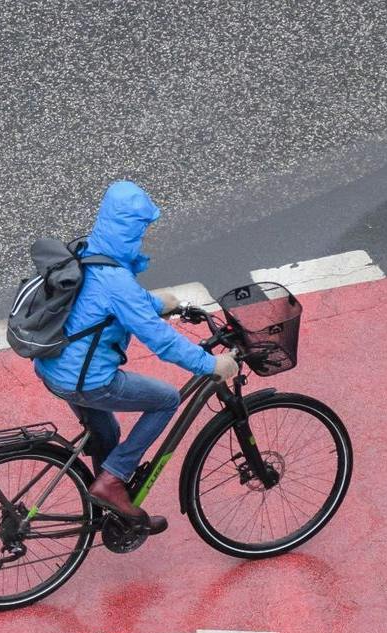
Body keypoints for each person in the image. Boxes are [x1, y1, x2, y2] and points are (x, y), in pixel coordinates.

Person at [34, 180, 239, 534]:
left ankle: (109, 510)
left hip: (52, 368)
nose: (144, 237)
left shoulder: (87, 250)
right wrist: (210, 364)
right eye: (141, 230)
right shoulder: (117, 281)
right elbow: (160, 340)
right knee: (166, 399)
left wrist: (158, 304)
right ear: (129, 230)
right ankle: (112, 481)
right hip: (87, 380)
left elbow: (112, 302)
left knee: (107, 430)